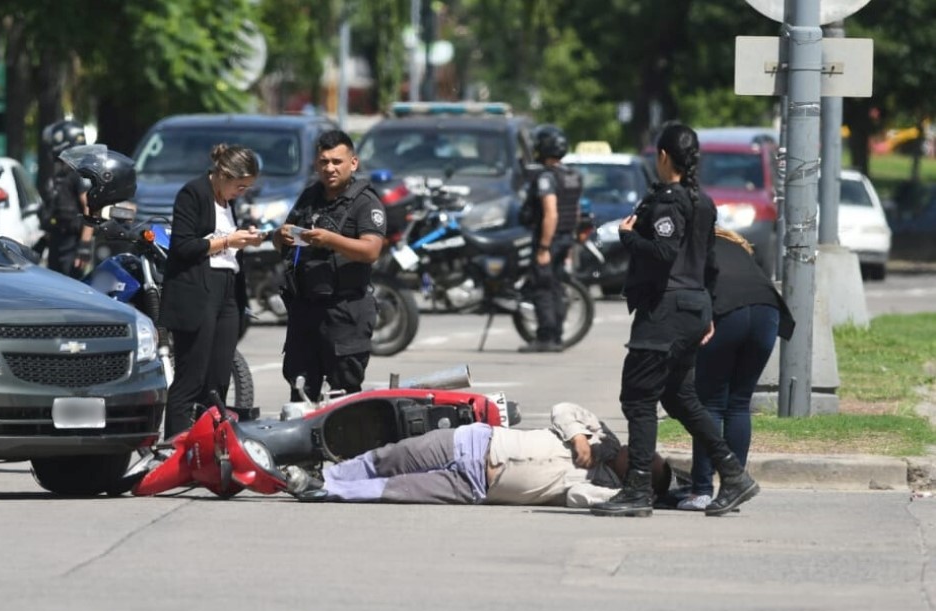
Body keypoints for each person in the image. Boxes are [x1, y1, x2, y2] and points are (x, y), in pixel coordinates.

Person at [591, 122, 759, 518]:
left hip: (665, 312)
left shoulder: (668, 202)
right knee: (679, 398)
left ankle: (637, 490)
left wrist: (627, 236)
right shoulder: (702, 202)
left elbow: (663, 252)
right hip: (693, 308)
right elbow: (711, 264)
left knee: (638, 397)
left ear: (664, 156)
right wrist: (709, 313)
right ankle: (733, 473)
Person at [283, 403, 672, 507]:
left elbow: (576, 496)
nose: (636, 455)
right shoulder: (599, 435)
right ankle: (326, 477)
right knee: (389, 457)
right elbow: (563, 409)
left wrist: (619, 495)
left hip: (475, 484)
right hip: (474, 443)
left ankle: (321, 490)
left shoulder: (600, 488)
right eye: (643, 452)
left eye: (642, 464)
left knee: (393, 488)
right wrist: (578, 438)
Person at [677, 227, 794, 510]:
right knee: (740, 403)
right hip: (768, 311)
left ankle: (702, 490)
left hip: (728, 311)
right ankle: (734, 486)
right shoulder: (736, 246)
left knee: (710, 404)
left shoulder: (688, 245)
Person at [156, 144, 265, 437]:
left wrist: (245, 240)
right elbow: (184, 246)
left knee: (218, 378)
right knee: (191, 376)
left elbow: (228, 244)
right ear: (223, 174)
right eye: (240, 186)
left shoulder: (229, 203)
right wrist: (229, 240)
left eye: (247, 188)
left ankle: (208, 443)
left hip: (228, 291)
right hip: (198, 291)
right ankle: (175, 445)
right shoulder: (193, 193)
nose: (241, 192)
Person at [273, 130, 385, 402]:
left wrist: (332, 240)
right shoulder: (310, 196)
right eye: (324, 162)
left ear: (353, 163)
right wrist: (281, 236)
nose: (330, 168)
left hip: (345, 311)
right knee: (300, 389)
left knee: (343, 393)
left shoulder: (365, 202)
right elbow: (283, 242)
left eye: (337, 161)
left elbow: (371, 250)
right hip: (305, 309)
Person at [518, 124, 584, 353]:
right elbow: (574, 212)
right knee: (556, 286)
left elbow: (551, 213)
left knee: (542, 288)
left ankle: (546, 337)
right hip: (565, 238)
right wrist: (569, 240)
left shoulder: (546, 178)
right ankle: (556, 335)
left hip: (550, 239)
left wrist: (544, 247)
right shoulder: (572, 176)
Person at [37, 119, 94, 278]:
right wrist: (44, 241)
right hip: (57, 241)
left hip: (72, 244)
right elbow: (57, 210)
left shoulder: (79, 174)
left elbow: (90, 208)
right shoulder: (60, 174)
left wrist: (84, 244)